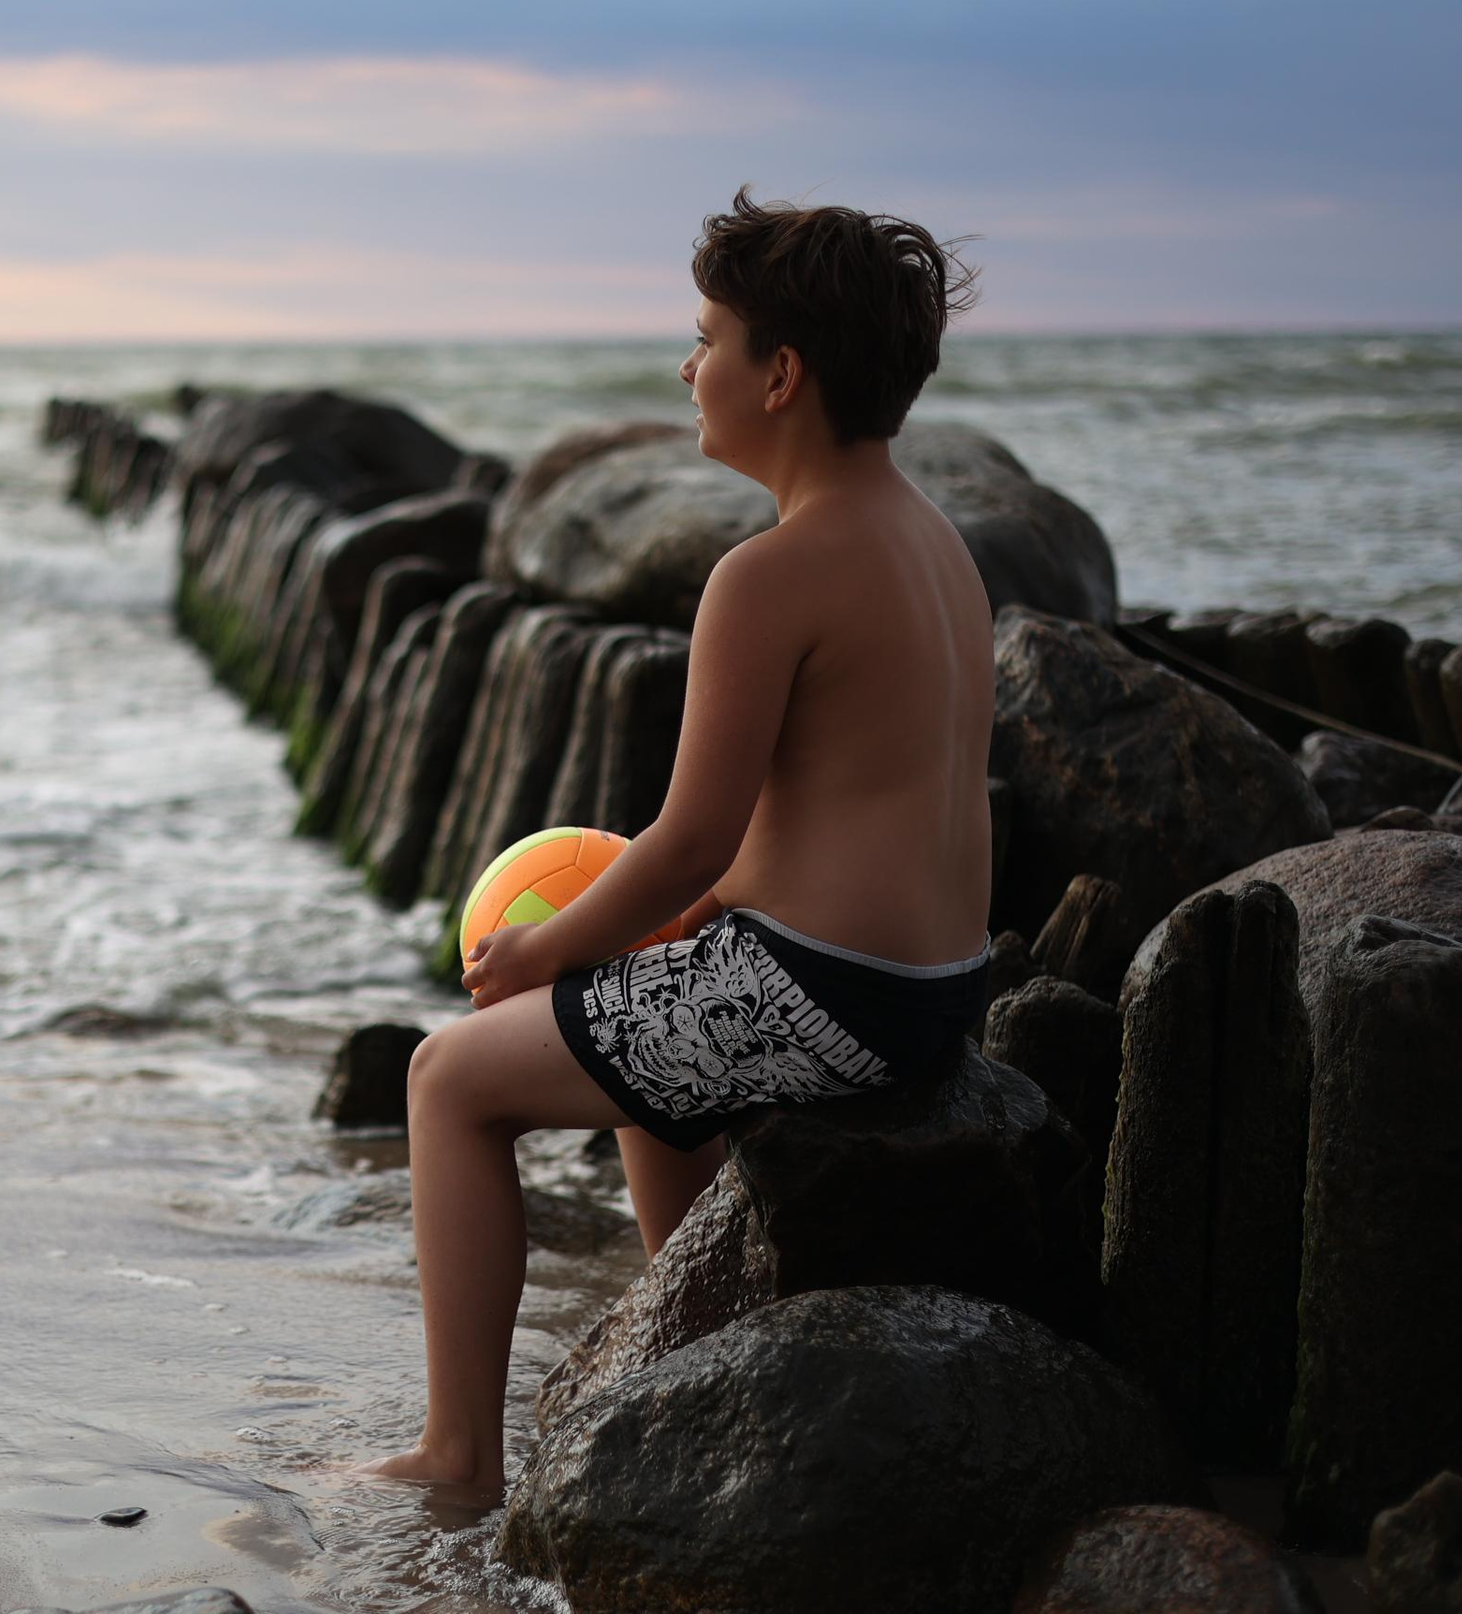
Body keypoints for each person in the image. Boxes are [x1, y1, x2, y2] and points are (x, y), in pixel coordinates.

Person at [354, 192, 992, 1499]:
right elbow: (835, 807)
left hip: (828, 995)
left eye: (706, 338)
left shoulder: (768, 575)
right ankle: (684, 1351)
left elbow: (693, 835)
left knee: (447, 1082)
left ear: (782, 374)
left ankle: (457, 1454)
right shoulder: (935, 546)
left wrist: (542, 947)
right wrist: (671, 932)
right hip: (934, 984)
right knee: (647, 1025)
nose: (686, 367)